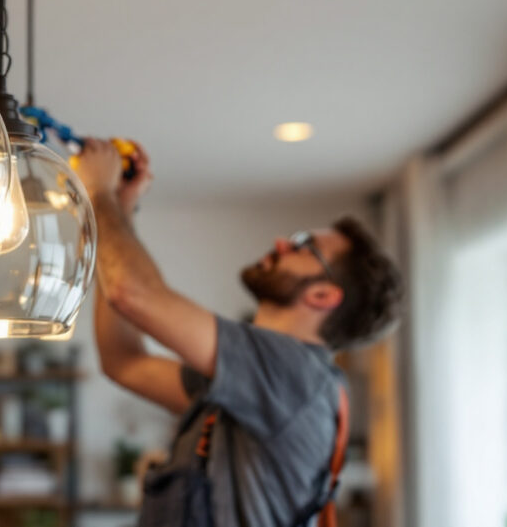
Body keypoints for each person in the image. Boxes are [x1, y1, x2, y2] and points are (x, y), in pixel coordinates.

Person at [73, 138, 402, 527]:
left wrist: (98, 195)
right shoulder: (251, 381)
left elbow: (134, 294)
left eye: (303, 245)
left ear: (322, 294)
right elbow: (124, 363)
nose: (283, 241)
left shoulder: (295, 374)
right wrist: (121, 210)